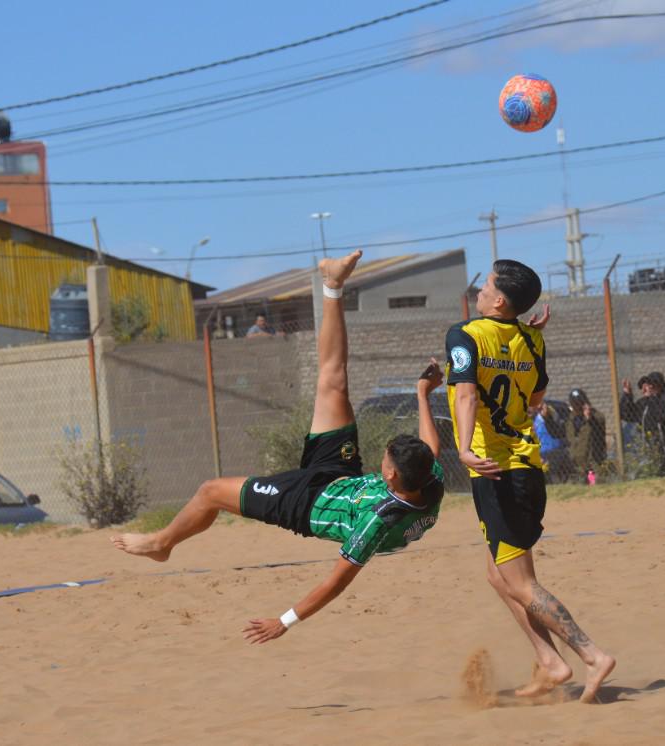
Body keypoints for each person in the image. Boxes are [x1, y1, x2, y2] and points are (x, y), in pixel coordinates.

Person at [112, 251, 447, 642]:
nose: (385, 456)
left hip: (306, 504)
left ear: (390, 474)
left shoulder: (377, 521)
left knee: (209, 492)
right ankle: (333, 284)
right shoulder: (428, 478)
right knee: (333, 380)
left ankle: (161, 543)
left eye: (387, 457)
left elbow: (336, 583)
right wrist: (423, 393)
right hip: (340, 479)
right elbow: (431, 448)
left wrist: (283, 621)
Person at [446, 259, 615, 703]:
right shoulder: (533, 338)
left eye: (485, 286)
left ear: (499, 301)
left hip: (496, 473)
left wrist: (463, 448)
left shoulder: (464, 335)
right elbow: (537, 398)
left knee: (520, 583)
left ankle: (591, 655)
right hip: (528, 470)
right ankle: (550, 660)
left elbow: (465, 393)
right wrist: (525, 336)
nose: (479, 291)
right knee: (498, 575)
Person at [565, 388, 606, 483]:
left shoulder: (595, 415)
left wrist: (589, 418)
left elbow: (599, 424)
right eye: (575, 403)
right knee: (579, 485)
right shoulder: (571, 418)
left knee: (594, 482)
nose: (577, 406)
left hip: (592, 460)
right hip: (577, 462)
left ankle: (593, 483)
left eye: (579, 403)